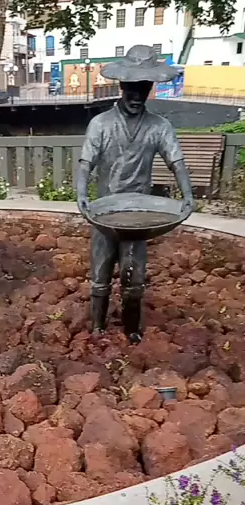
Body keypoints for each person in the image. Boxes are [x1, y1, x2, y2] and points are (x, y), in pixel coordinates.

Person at [77, 45, 193, 343]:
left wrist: (187, 194)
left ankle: (132, 330)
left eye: (144, 89)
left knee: (134, 276)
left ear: (150, 88)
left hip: (140, 214)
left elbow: (176, 161)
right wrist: (81, 193)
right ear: (121, 86)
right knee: (100, 273)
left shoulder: (159, 127)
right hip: (104, 211)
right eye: (132, 89)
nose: (137, 96)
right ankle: (97, 327)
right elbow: (86, 162)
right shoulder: (101, 124)